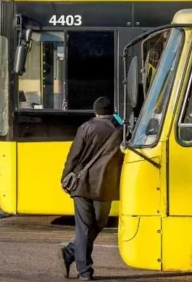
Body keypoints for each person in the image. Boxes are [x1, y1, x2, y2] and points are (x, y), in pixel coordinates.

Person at [58, 96, 123, 280]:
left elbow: (73, 156)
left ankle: (71, 253)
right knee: (98, 223)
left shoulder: (86, 127)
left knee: (85, 228)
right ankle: (84, 270)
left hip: (82, 185)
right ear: (112, 111)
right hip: (105, 186)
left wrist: (65, 178)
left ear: (95, 111)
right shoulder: (122, 130)